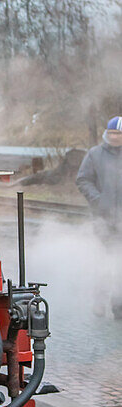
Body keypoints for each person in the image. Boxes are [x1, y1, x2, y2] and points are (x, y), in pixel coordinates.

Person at [76, 116, 122, 318]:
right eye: (112, 133)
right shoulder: (95, 154)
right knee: (103, 261)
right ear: (106, 133)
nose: (115, 137)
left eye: (119, 134)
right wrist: (98, 199)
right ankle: (99, 301)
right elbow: (83, 180)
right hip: (102, 219)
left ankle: (118, 304)